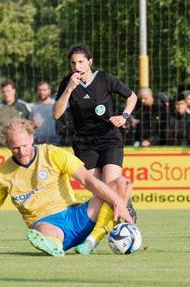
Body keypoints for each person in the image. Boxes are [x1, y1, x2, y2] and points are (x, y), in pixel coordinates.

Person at [0, 119, 134, 257]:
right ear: (7, 145)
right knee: (44, 233)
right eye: (15, 148)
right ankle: (52, 245)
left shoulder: (51, 154)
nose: (22, 151)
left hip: (78, 215)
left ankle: (91, 241)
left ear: (32, 138)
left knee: (122, 184)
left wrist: (118, 202)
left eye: (24, 145)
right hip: (46, 224)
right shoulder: (3, 175)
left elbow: (88, 180)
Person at [52, 44, 137, 253]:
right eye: (73, 63)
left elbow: (132, 96)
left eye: (81, 62)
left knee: (111, 184)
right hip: (84, 143)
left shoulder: (104, 79)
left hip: (109, 138)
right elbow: (56, 113)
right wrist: (69, 89)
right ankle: (124, 204)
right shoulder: (67, 83)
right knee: (100, 191)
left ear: (89, 62)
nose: (77, 66)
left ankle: (94, 238)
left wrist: (124, 116)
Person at [0, 79, 30, 146]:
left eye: (8, 91)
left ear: (14, 91)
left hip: (19, 146)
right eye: (3, 91)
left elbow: (29, 125)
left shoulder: (24, 106)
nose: (6, 94)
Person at [29, 80, 58, 144]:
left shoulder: (55, 105)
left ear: (49, 90)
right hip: (37, 142)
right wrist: (33, 124)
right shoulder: (34, 107)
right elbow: (30, 124)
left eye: (44, 90)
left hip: (53, 141)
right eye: (39, 90)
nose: (41, 92)